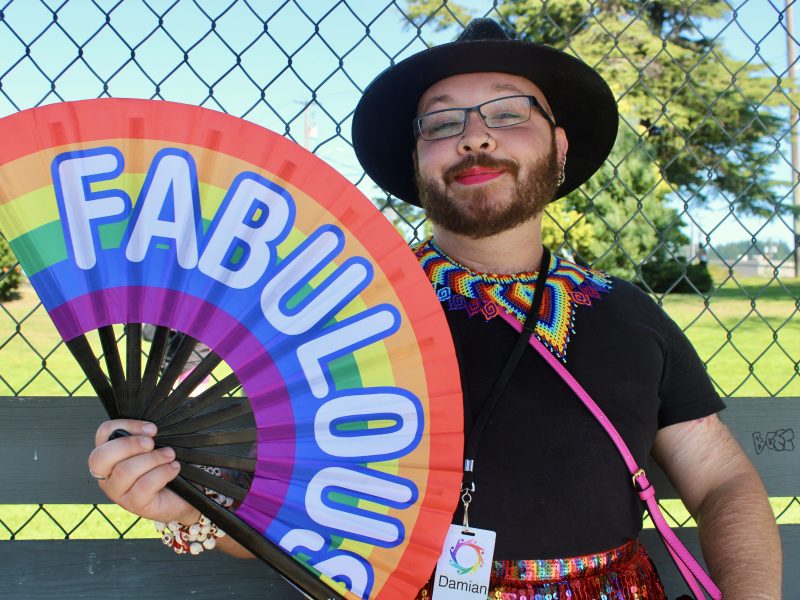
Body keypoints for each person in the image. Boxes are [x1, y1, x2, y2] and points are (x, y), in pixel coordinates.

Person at [88, 18, 781, 598]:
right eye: (444, 123)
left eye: (508, 114)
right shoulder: (336, 314)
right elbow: (295, 518)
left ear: (560, 147)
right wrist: (186, 509)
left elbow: (720, 480)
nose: (476, 137)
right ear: (417, 162)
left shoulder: (631, 314)